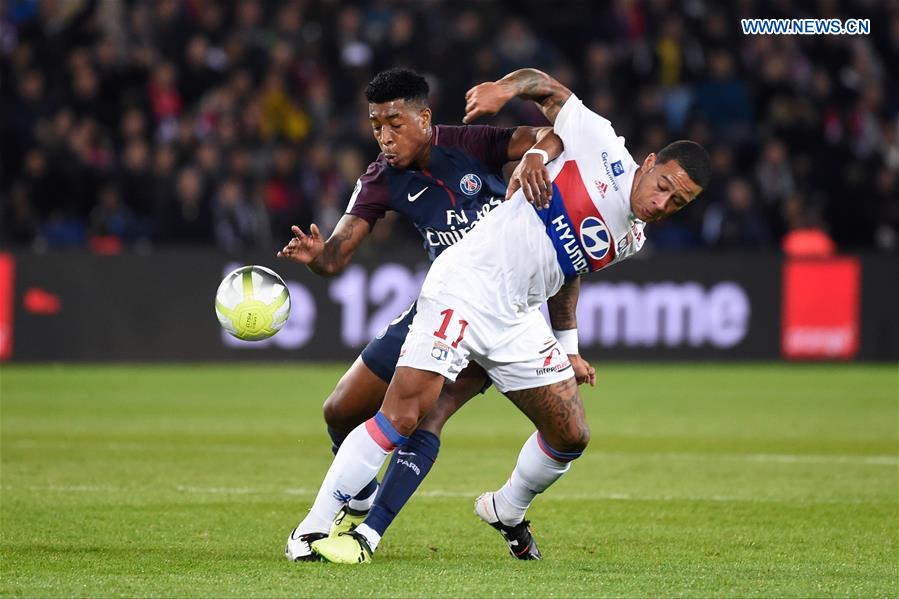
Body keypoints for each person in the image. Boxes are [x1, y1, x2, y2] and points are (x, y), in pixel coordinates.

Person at [298, 67, 711, 564]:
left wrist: (569, 348)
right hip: (467, 286)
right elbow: (548, 91)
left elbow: (566, 271)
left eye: (677, 202)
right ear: (648, 164)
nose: (662, 203)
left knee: (571, 435)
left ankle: (505, 508)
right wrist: (506, 95)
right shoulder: (602, 147)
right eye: (663, 186)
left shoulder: (632, 238)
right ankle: (318, 531)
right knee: (404, 414)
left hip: (515, 317)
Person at [278, 68, 596, 561]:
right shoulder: (381, 177)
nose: (385, 137)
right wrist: (317, 256)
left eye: (395, 123)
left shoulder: (470, 143)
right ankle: (360, 497)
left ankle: (367, 535)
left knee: (427, 414)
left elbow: (553, 135)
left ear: (424, 118)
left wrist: (534, 155)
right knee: (339, 410)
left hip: (497, 310)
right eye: (376, 126)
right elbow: (336, 256)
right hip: (440, 302)